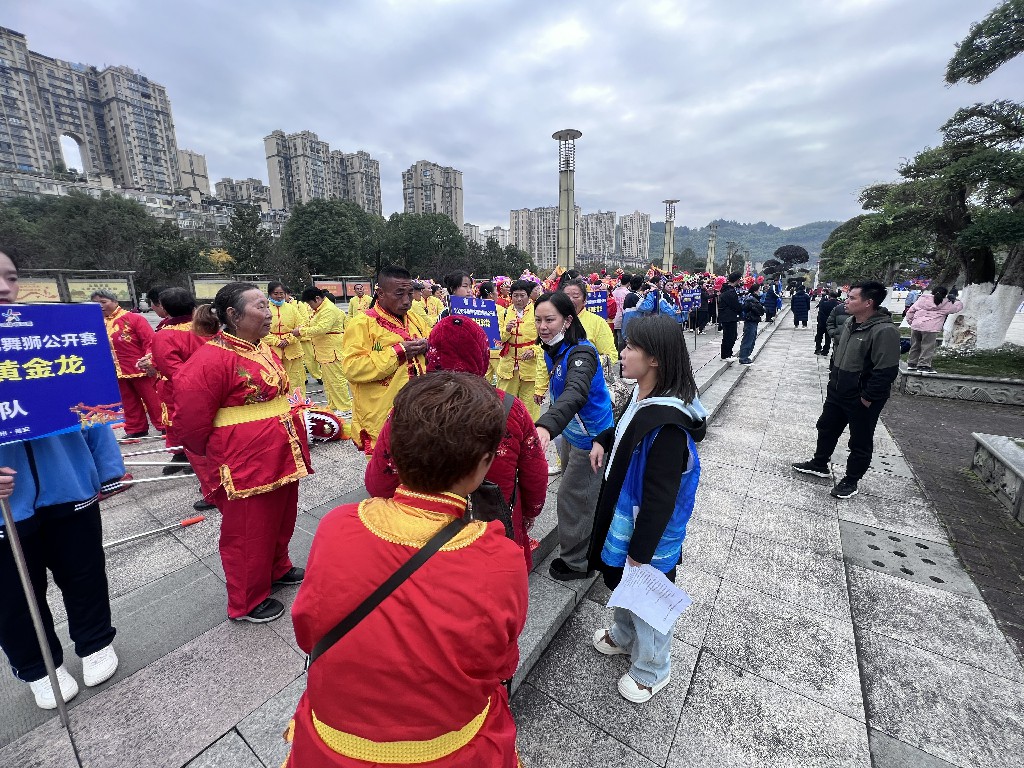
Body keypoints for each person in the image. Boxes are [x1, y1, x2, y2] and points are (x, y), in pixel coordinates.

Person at [286, 373, 528, 767]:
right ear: (482, 465)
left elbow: (308, 629)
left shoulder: (338, 526)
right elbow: (500, 662)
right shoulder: (499, 558)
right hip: (448, 749)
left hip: (333, 742)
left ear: (393, 452)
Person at [0, 250, 126, 711]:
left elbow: (91, 404)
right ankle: (38, 667)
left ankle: (94, 642)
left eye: (11, 277)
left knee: (83, 570)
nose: (4, 288)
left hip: (69, 483)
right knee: (12, 594)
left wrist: (107, 469)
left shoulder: (51, 335)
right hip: (5, 507)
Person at [175, 282, 312, 622]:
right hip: (244, 461)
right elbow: (191, 423)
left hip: (281, 451)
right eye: (260, 306)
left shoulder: (261, 347)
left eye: (268, 305)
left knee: (281, 518)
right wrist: (214, 462)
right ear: (233, 315)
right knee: (249, 532)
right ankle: (247, 600)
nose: (269, 313)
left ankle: (277, 567)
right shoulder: (210, 359)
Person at [587, 315, 706, 703]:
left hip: (647, 532)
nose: (622, 354)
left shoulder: (668, 424)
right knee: (626, 583)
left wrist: (641, 551)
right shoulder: (644, 397)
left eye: (630, 347)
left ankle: (654, 669)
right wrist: (604, 438)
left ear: (654, 358)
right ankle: (624, 636)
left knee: (648, 594)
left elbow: (661, 499)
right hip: (628, 518)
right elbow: (625, 430)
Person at [366, 315, 547, 570]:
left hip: (422, 534)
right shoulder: (510, 408)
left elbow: (379, 481)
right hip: (493, 525)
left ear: (432, 354)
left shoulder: (407, 405)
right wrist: (528, 514)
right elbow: (535, 475)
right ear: (482, 355)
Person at [792, 281, 901, 499]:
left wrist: (867, 398)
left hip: (861, 396)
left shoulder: (884, 331)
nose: (846, 301)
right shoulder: (851, 322)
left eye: (852, 298)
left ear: (868, 302)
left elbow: (886, 371)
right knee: (826, 427)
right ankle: (819, 463)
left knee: (860, 440)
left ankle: (851, 480)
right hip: (838, 390)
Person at [534, 291, 614, 580]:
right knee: (581, 494)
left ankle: (577, 562)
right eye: (538, 320)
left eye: (550, 320)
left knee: (573, 498)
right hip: (571, 431)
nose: (543, 327)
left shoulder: (582, 353)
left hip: (592, 438)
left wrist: (546, 425)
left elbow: (575, 392)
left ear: (567, 321)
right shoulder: (553, 347)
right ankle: (584, 546)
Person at [341, 266, 430, 454]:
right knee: (387, 466)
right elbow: (352, 368)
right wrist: (397, 352)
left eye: (410, 294)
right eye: (399, 294)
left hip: (419, 409)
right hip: (382, 414)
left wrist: (428, 346)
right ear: (380, 293)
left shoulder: (415, 319)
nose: (406, 301)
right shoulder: (362, 324)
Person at [92, 288, 166, 438]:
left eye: (103, 302)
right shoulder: (96, 323)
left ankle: (164, 426)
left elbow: (150, 341)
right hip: (116, 370)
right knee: (128, 402)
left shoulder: (133, 318)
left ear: (114, 301)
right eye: (96, 303)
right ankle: (136, 428)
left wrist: (149, 361)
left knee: (153, 399)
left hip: (140, 368)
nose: (100, 306)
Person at [296, 287, 351, 415]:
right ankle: (334, 406)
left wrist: (301, 331)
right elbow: (312, 324)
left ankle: (345, 407)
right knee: (328, 382)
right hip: (324, 352)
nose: (310, 306)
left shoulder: (328, 310)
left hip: (332, 351)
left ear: (317, 299)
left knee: (337, 381)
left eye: (310, 303)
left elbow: (321, 328)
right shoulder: (319, 309)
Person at [496, 279, 541, 422]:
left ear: (528, 296)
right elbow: (497, 339)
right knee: (505, 404)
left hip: (530, 367)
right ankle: (505, 431)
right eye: (515, 295)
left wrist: (534, 350)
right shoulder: (504, 313)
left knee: (530, 407)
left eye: (522, 295)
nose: (519, 299)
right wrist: (507, 330)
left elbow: (545, 339)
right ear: (511, 296)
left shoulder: (538, 312)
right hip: (508, 366)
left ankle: (530, 432)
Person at [264, 281, 307, 399]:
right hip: (272, 350)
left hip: (293, 349)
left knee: (296, 378)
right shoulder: (264, 309)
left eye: (281, 293)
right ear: (269, 294)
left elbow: (302, 326)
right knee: (275, 378)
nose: (279, 296)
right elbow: (259, 329)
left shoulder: (292, 309)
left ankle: (298, 403)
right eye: (275, 293)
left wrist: (289, 340)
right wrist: (276, 341)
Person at [905, 286, 963, 373]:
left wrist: (911, 322)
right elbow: (957, 308)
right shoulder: (946, 303)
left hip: (916, 326)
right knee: (927, 347)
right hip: (931, 328)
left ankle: (912, 363)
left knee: (915, 345)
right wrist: (955, 299)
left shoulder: (922, 299)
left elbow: (910, 311)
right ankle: (923, 366)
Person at [477, 281, 503, 384]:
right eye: (496, 291)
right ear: (491, 294)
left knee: (483, 381)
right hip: (497, 350)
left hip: (481, 350)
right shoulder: (500, 310)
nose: (498, 293)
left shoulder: (475, 308)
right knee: (501, 381)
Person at [717, 272, 743, 361]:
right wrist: (741, 308)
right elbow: (735, 305)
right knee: (729, 336)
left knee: (731, 335)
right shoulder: (729, 292)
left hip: (728, 316)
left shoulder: (727, 289)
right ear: (737, 280)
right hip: (728, 317)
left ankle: (728, 353)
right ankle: (725, 355)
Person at [737, 283, 765, 365]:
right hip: (750, 320)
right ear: (755, 290)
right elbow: (758, 310)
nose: (760, 291)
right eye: (759, 290)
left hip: (754, 320)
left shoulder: (754, 299)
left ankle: (746, 356)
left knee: (752, 339)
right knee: (748, 339)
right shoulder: (750, 299)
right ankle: (743, 357)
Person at [814, 291, 841, 356]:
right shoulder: (838, 305)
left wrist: (820, 321)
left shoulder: (824, 304)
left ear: (829, 296)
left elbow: (820, 314)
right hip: (832, 324)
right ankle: (826, 350)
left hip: (822, 323)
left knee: (819, 336)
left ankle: (818, 349)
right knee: (828, 338)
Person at [612, 273, 631, 348]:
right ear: (629, 282)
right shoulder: (628, 293)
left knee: (614, 340)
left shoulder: (614, 292)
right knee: (621, 340)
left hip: (613, 318)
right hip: (622, 318)